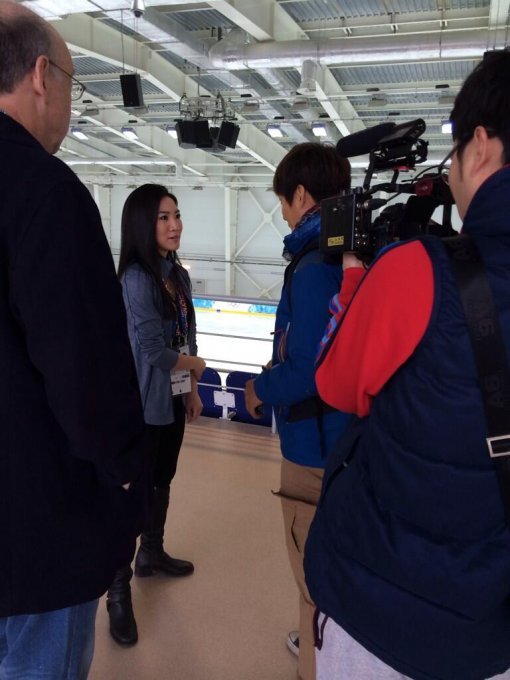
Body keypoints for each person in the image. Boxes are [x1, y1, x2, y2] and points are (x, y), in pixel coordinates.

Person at [305, 50, 510, 680]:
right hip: (492, 634)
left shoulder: (418, 271)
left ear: (479, 147)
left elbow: (336, 384)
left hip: (381, 616)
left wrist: (355, 286)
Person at [0, 2, 149, 677]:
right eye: (69, 81)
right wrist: (129, 488)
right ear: (39, 74)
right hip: (35, 541)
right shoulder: (44, 191)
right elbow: (87, 379)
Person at [244, 143, 351, 680]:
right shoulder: (351, 256)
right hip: (348, 443)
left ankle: (315, 662)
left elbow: (308, 369)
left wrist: (260, 389)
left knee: (312, 585)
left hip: (313, 449)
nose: (284, 214)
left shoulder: (311, 268)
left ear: (302, 195)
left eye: (284, 203)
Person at [106, 183, 206, 647]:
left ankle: (152, 553)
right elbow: (152, 351)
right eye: (164, 217)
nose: (175, 225)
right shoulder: (136, 279)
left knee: (163, 479)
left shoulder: (177, 275)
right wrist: (194, 366)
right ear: (143, 225)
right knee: (136, 492)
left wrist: (192, 390)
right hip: (144, 403)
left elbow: (186, 335)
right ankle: (118, 591)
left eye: (177, 215)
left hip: (173, 398)